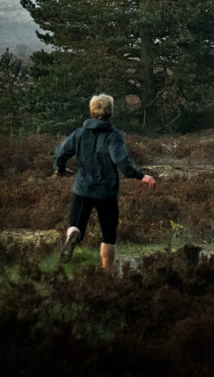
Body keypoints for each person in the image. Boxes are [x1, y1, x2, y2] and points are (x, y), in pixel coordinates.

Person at [53, 94, 155, 269]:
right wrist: (140, 176)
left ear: (92, 111)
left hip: (83, 189)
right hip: (106, 192)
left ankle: (73, 235)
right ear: (110, 112)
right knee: (108, 234)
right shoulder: (113, 136)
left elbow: (61, 153)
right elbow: (121, 160)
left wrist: (59, 168)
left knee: (76, 225)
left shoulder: (79, 133)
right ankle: (107, 273)